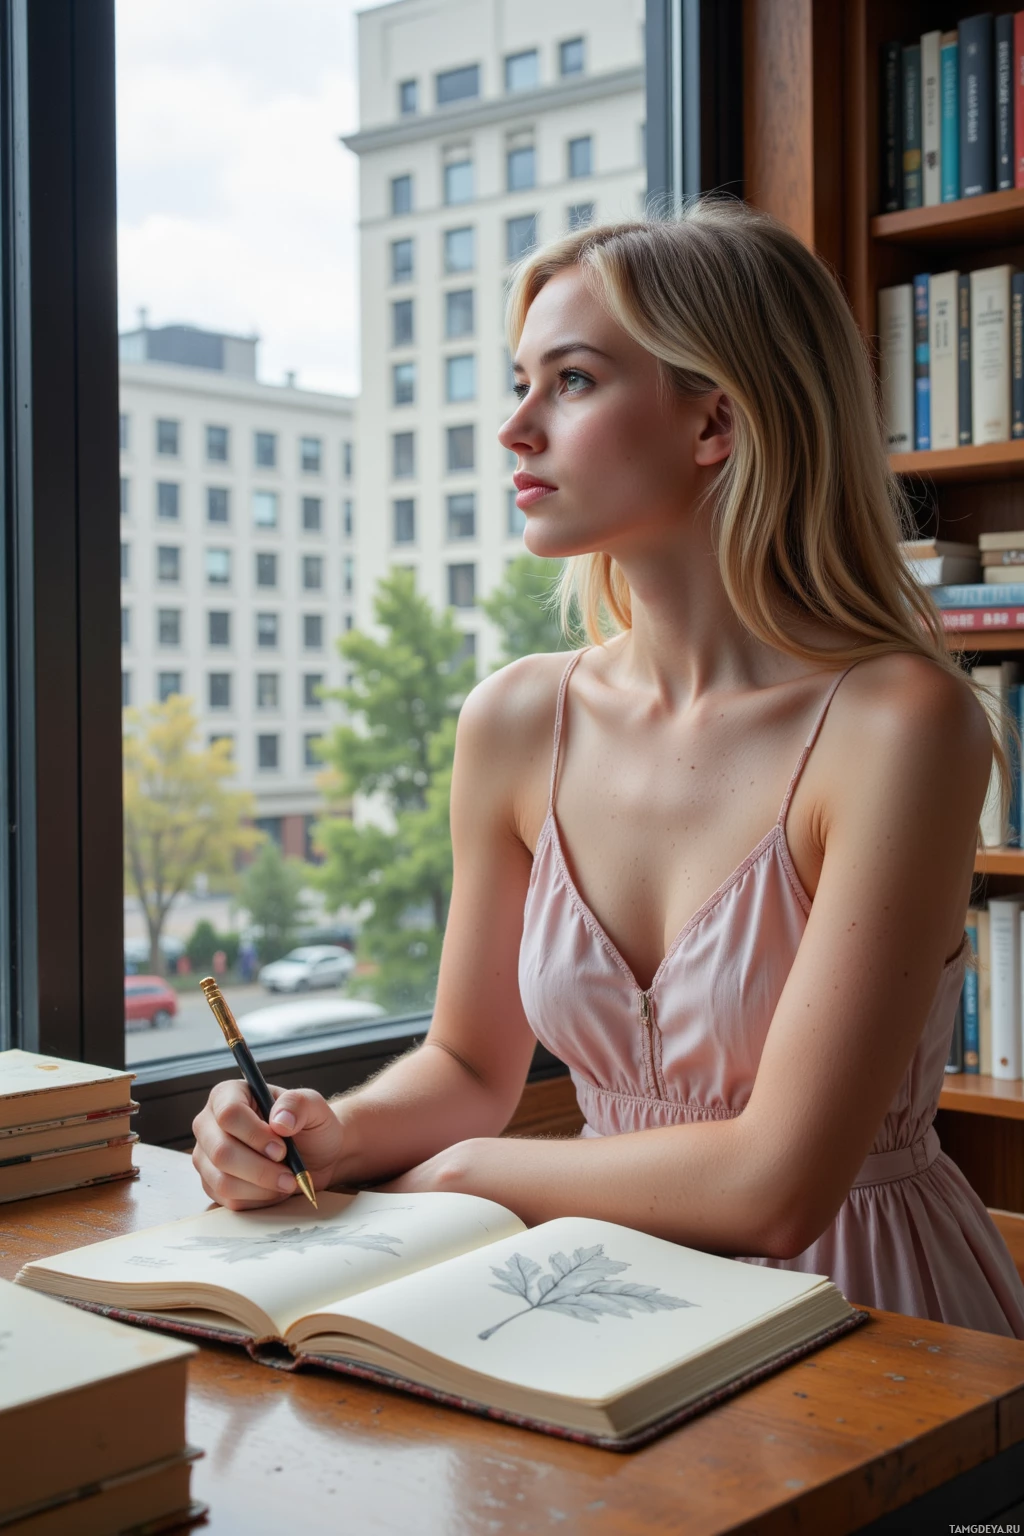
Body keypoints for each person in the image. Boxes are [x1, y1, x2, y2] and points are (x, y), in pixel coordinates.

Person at [192, 200, 1024, 1337]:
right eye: (518, 381)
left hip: (868, 1317)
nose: (513, 429)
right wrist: (327, 1133)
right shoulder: (515, 719)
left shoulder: (900, 726)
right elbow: (466, 1063)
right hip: (597, 1303)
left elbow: (775, 1189)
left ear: (714, 423)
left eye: (571, 381)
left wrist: (455, 1176)